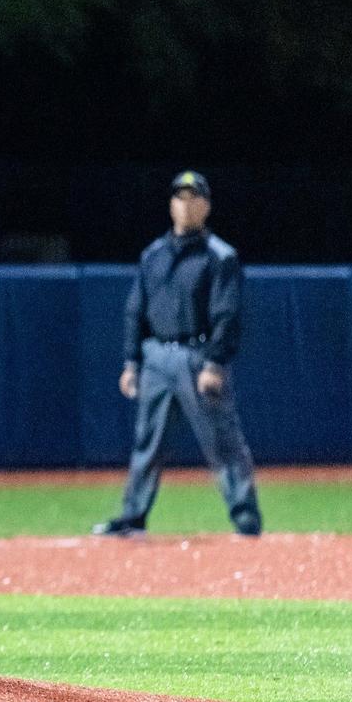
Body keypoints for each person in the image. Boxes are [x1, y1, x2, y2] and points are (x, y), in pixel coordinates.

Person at [95, 171, 263, 538]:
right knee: (147, 442)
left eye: (193, 198)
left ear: (206, 205)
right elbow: (135, 310)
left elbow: (227, 314)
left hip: (198, 356)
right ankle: (133, 515)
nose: (186, 205)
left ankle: (246, 521)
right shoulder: (153, 255)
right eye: (180, 198)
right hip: (157, 356)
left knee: (222, 442)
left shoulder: (220, 257)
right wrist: (131, 362)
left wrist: (216, 361)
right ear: (171, 205)